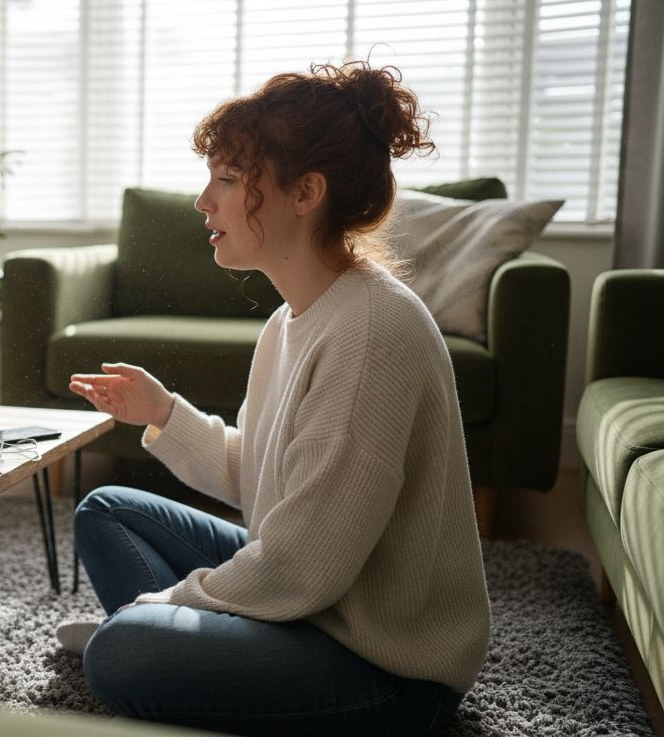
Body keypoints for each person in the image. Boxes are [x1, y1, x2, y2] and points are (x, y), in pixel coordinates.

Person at [62, 61, 490, 736]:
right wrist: (162, 413)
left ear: (306, 192)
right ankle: (187, 649)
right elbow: (262, 475)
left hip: (383, 667)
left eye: (228, 180)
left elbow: (302, 566)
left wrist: (167, 604)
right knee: (108, 509)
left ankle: (163, 644)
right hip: (319, 602)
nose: (203, 201)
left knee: (121, 651)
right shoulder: (294, 316)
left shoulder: (371, 331)